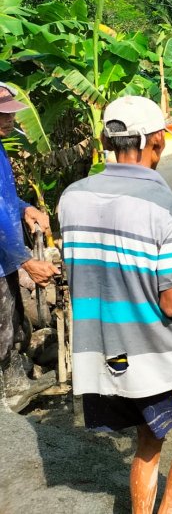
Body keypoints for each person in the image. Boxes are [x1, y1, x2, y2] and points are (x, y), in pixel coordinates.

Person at [58, 95, 172, 514]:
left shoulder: (72, 197)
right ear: (156, 141)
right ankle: (169, 510)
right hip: (150, 352)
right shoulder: (167, 208)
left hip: (98, 350)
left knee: (149, 435)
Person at [0, 82, 59, 412]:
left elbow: (5, 200)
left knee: (11, 320)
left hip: (6, 256)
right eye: (3, 116)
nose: (10, 121)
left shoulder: (0, 149)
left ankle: (14, 385)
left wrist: (25, 208)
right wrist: (26, 261)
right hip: (4, 254)